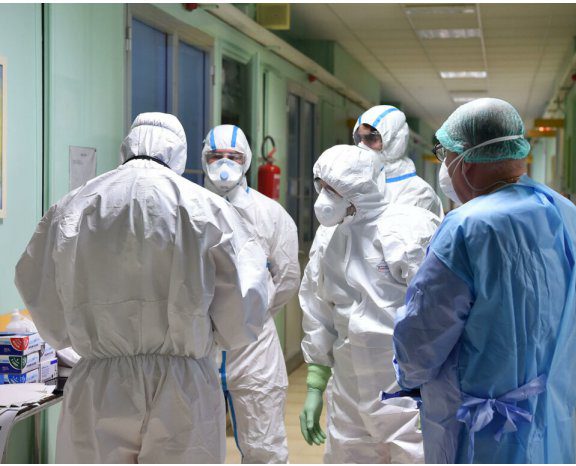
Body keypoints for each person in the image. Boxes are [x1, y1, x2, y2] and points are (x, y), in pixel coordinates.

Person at [15, 113, 269, 463]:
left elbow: (34, 282)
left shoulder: (75, 205)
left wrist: (70, 335)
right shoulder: (208, 208)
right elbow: (245, 297)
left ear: (127, 146)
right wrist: (214, 336)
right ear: (178, 153)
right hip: (184, 385)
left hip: (99, 383)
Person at [392, 98, 576, 463]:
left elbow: (422, 338)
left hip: (482, 433)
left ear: (467, 160)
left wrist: (407, 376)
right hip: (550, 424)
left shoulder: (467, 227)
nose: (445, 167)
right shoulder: (568, 215)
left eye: (446, 155)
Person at [298, 145, 441, 463]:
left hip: (405, 386)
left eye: (334, 190)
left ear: (360, 190)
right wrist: (315, 383)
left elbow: (437, 315)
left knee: (414, 455)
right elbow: (318, 308)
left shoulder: (408, 229)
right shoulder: (328, 237)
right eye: (322, 187)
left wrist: (437, 389)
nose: (324, 199)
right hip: (348, 383)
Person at [202, 124, 300, 463]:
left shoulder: (270, 214)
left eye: (233, 156)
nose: (224, 164)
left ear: (246, 160)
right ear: (203, 158)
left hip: (255, 351)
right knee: (193, 447)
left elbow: (287, 278)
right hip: (199, 348)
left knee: (264, 447)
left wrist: (253, 314)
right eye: (215, 156)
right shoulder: (188, 207)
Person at [353, 105, 443, 218]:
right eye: (358, 138)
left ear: (394, 141)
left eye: (370, 138)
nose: (362, 145)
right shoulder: (356, 181)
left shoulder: (419, 193)